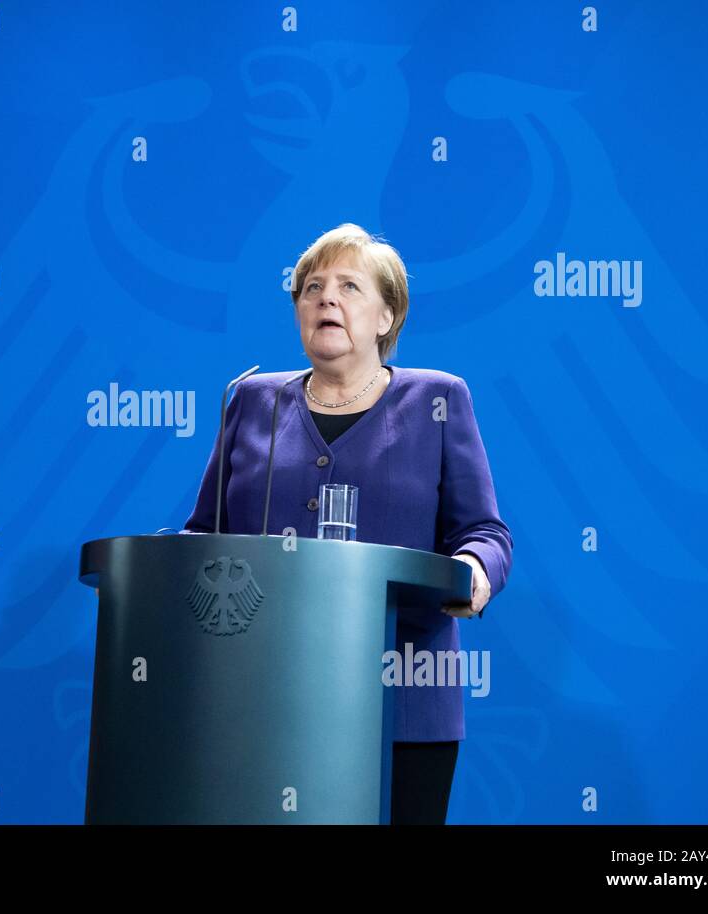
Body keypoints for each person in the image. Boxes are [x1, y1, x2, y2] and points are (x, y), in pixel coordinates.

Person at [184, 223, 512, 824]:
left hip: (403, 697)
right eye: (311, 287)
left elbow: (485, 535)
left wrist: (472, 574)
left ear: (387, 317)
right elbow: (205, 532)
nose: (325, 298)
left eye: (348, 287)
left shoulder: (438, 399)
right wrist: (155, 563)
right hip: (262, 697)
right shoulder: (253, 400)